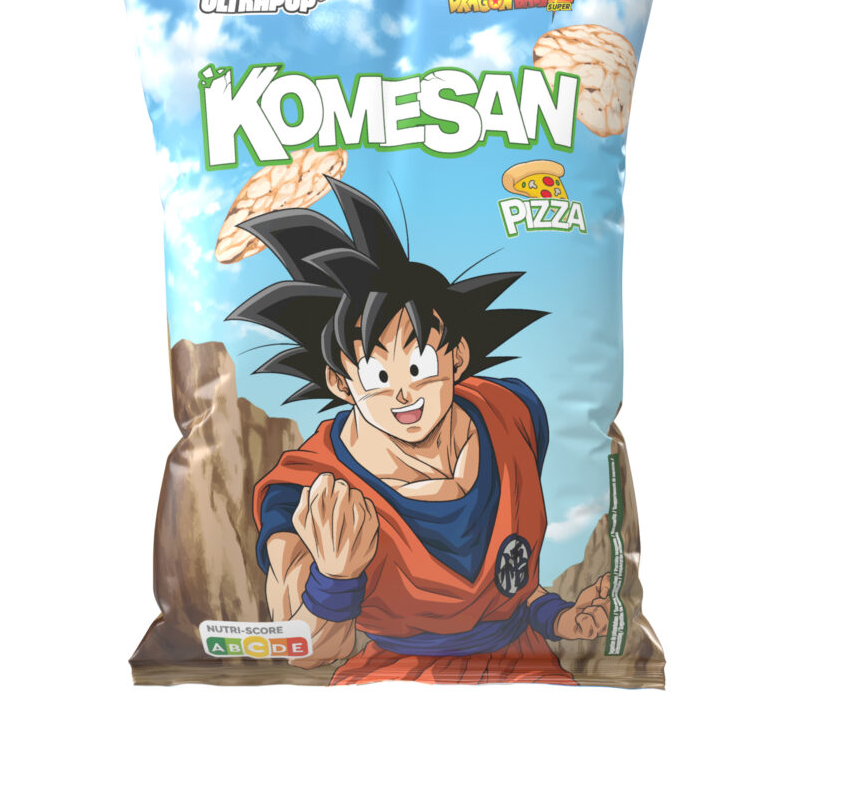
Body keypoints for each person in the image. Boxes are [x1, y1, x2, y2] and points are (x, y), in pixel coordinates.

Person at [229, 178, 610, 684]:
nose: (404, 393)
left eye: (420, 363)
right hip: (397, 683)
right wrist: (335, 578)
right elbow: (303, 648)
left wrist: (559, 617)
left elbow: (511, 585)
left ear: (458, 356)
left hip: (528, 669)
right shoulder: (309, 490)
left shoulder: (513, 411)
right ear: (341, 383)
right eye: (377, 374)